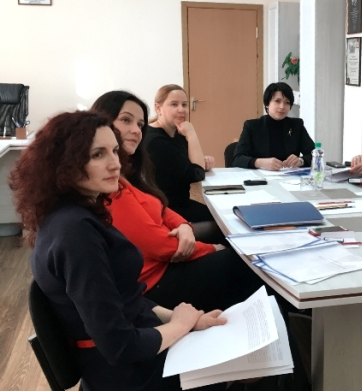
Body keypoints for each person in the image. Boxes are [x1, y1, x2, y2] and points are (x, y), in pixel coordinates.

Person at [10, 111, 227, 390]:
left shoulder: (75, 214)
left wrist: (185, 320)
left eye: (114, 151)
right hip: (129, 376)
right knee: (253, 368)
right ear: (64, 163)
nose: (115, 163)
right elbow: (119, 346)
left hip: (138, 351)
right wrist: (180, 326)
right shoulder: (76, 232)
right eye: (97, 154)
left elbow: (126, 299)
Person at [91, 91, 263, 313]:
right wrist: (212, 248)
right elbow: (162, 245)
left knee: (241, 251)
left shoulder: (127, 173)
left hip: (168, 252)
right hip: (155, 281)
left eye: (140, 124)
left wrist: (183, 225)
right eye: (126, 120)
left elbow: (161, 207)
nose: (136, 130)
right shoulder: (110, 183)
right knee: (249, 262)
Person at [144, 84, 216, 223]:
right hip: (167, 208)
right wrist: (192, 133)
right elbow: (197, 174)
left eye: (184, 104)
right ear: (158, 108)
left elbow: (187, 163)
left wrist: (202, 160)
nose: (181, 110)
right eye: (174, 104)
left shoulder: (175, 132)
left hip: (176, 202)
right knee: (222, 220)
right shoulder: (156, 141)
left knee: (220, 213)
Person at [232, 82, 315, 171]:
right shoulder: (252, 126)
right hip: (261, 177)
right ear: (267, 104)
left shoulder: (296, 125)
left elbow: (315, 154)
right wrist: (260, 162)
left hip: (289, 177)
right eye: (277, 101)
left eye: (287, 102)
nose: (282, 106)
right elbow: (237, 159)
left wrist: (301, 161)